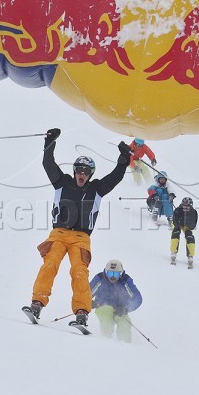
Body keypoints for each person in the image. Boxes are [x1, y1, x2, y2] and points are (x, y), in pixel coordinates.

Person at [26, 128, 131, 327]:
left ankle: (82, 311)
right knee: (50, 265)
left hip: (81, 237)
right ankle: (37, 303)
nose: (82, 174)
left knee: (79, 271)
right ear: (74, 171)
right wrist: (50, 142)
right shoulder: (61, 182)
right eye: (79, 170)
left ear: (90, 174)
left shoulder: (97, 188)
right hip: (58, 233)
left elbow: (115, 177)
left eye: (86, 171)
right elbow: (48, 163)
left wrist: (123, 159)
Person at [90, 259, 142, 342]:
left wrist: (126, 309)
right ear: (106, 272)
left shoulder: (126, 281)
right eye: (110, 273)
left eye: (116, 274)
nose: (112, 277)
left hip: (120, 310)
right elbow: (87, 293)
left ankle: (125, 344)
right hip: (102, 306)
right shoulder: (100, 278)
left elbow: (137, 298)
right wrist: (89, 303)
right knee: (106, 313)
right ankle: (105, 340)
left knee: (124, 322)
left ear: (120, 274)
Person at [171, 197, 198, 267]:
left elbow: (192, 226)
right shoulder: (177, 210)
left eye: (187, 206)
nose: (185, 208)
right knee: (176, 233)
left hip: (187, 226)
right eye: (184, 206)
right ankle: (173, 252)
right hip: (178, 224)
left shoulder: (193, 212)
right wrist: (177, 224)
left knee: (190, 237)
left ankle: (190, 255)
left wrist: (188, 214)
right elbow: (174, 221)